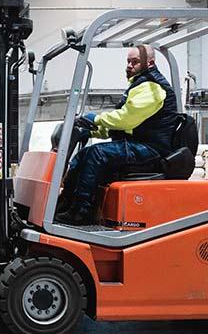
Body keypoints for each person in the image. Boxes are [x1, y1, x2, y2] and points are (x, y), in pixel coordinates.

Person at [56, 44, 179, 225]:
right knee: (83, 154)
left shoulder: (152, 87)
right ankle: (65, 202)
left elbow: (126, 120)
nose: (129, 66)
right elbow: (120, 126)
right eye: (128, 61)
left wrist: (97, 118)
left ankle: (82, 212)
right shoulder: (139, 85)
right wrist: (91, 130)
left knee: (96, 154)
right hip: (137, 143)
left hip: (151, 149)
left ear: (150, 63)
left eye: (135, 62)